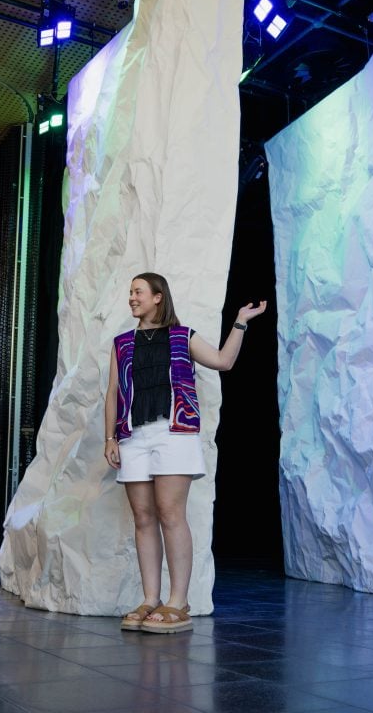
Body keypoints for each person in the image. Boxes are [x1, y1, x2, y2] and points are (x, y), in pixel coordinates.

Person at [104, 272, 265, 634]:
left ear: (158, 297)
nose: (131, 297)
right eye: (130, 292)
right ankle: (151, 598)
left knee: (170, 513)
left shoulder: (182, 335)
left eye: (138, 292)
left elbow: (224, 361)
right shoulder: (121, 343)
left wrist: (240, 321)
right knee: (143, 517)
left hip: (174, 431)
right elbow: (113, 392)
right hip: (133, 436)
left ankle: (179, 601)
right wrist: (109, 437)